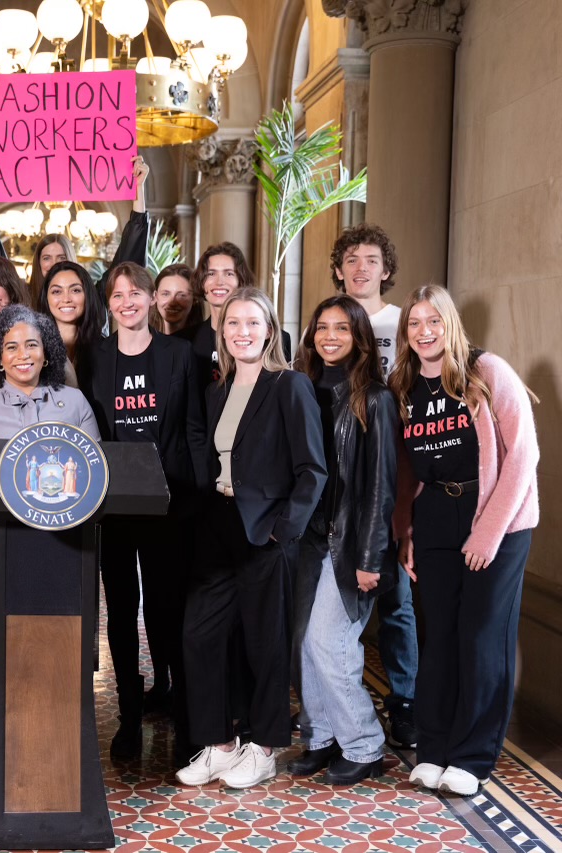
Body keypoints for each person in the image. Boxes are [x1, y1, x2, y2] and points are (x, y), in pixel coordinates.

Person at [390, 285, 538, 797]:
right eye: (415, 323)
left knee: (480, 638)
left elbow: (523, 457)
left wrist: (489, 530)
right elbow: (407, 467)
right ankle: (433, 750)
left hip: (497, 514)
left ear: (450, 323)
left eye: (434, 321)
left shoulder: (487, 371)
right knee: (440, 638)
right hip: (435, 516)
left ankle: (473, 758)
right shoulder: (404, 384)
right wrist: (403, 530)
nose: (424, 331)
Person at [179, 287, 325, 790]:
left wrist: (285, 532)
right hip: (218, 528)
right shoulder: (215, 390)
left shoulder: (290, 385)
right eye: (233, 324)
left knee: (266, 644)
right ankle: (220, 746)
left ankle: (263, 747)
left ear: (269, 330)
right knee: (200, 636)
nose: (242, 332)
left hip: (266, 532)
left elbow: (312, 469)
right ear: (222, 332)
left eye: (252, 323)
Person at [0, 304, 99, 747]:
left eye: (32, 344)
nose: (22, 354)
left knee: (48, 631)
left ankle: (52, 722)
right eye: (11, 347)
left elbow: (96, 468)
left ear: (47, 353)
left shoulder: (73, 402)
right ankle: (1, 726)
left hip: (61, 538)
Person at [87, 262, 208, 763]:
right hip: (115, 504)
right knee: (119, 611)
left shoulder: (178, 355)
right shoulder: (95, 357)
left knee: (166, 607)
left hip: (171, 502)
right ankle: (129, 714)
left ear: (152, 299)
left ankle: (178, 705)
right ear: (109, 304)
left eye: (137, 292)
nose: (128, 301)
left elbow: (195, 430)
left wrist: (201, 496)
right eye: (119, 295)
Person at [288, 296, 398, 785]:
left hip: (349, 543)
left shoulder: (375, 397)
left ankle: (364, 744)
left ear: (359, 337)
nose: (330, 336)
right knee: (303, 645)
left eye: (342, 329)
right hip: (307, 541)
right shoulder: (302, 389)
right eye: (322, 328)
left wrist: (371, 556)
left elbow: (381, 487)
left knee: (329, 644)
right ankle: (322, 737)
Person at [331, 222, 419, 749]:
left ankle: (404, 701)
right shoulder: (334, 322)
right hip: (344, 483)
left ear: (385, 270)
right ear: (339, 270)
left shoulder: (404, 323)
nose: (360, 267)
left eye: (370, 259)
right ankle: (336, 701)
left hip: (396, 475)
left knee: (396, 600)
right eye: (350, 259)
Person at [0, 153, 150, 306]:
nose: (54, 263)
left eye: (61, 257)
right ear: (37, 262)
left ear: (71, 259)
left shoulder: (90, 298)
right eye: (47, 258)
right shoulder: (22, 298)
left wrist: (139, 188)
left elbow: (127, 263)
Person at [180, 243, 291, 394]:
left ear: (241, 280)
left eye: (229, 273)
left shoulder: (275, 339)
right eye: (211, 274)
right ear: (202, 281)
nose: (219, 282)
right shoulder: (183, 342)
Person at [38, 260, 106, 389]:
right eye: (57, 292)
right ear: (46, 298)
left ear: (88, 295)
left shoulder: (105, 349)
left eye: (75, 290)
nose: (66, 299)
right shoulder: (34, 348)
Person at [150, 263, 201, 335]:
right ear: (155, 296)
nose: (172, 303)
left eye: (181, 295)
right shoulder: (142, 339)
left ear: (195, 299)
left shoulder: (204, 340)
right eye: (165, 294)